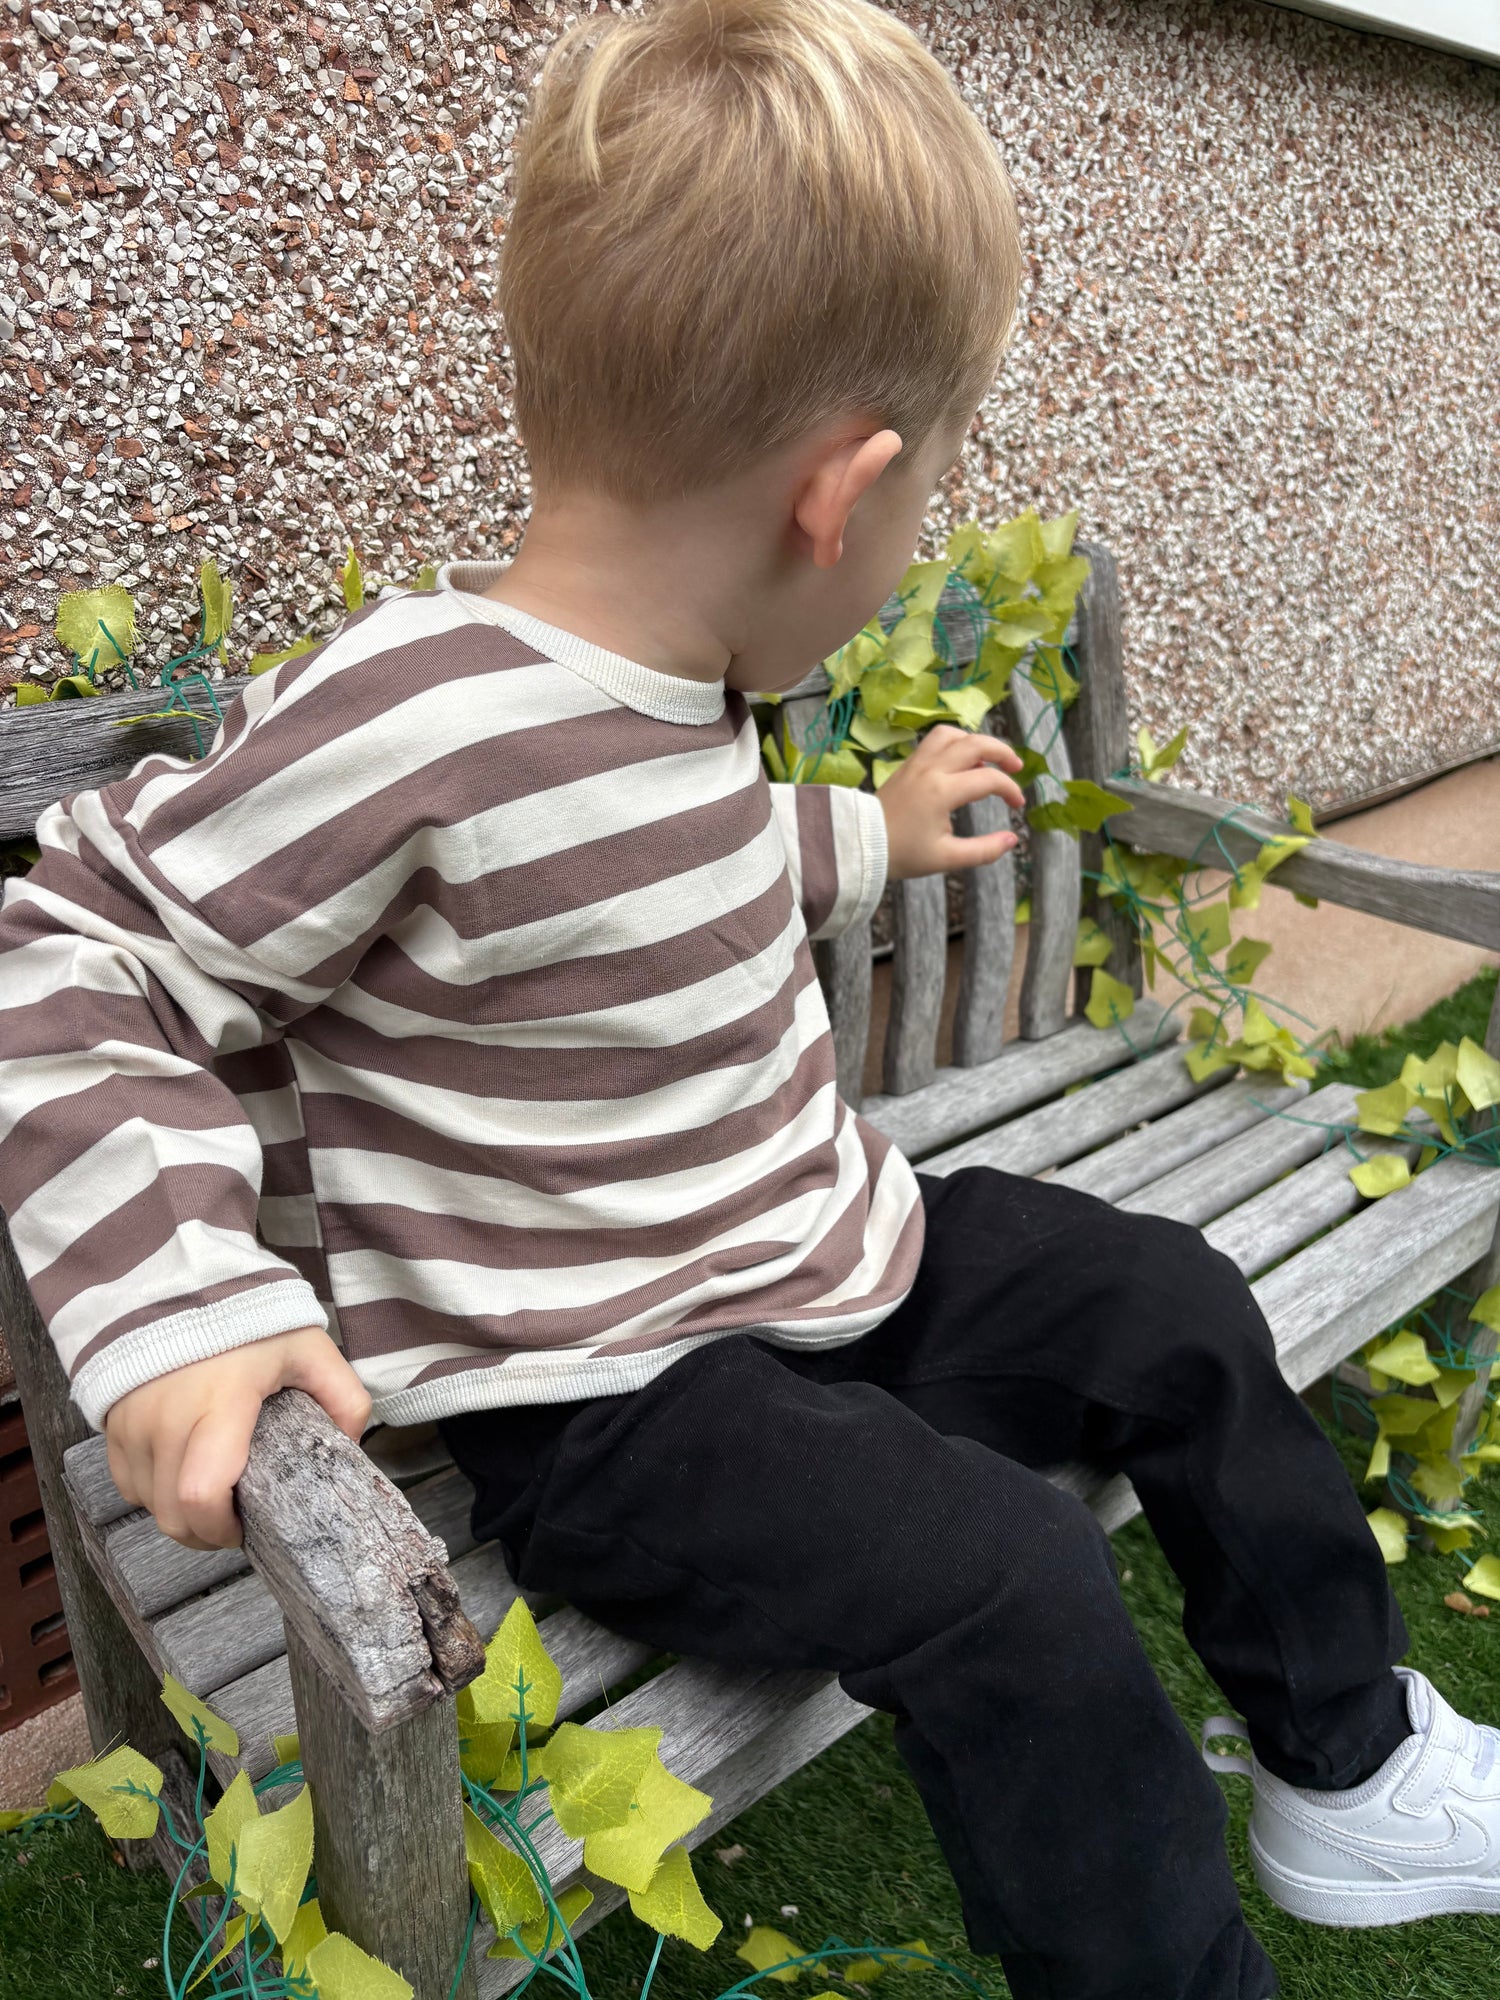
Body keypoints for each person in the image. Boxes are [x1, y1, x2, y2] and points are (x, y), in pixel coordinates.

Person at [1, 2, 1496, 1994]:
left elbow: (670, 875)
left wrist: (870, 833)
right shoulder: (421, 711)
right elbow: (83, 941)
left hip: (823, 1250)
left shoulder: (683, 681)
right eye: (932, 491)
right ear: (842, 493)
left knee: (1178, 1308)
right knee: (1019, 1582)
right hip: (611, 1395)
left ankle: (1356, 1770)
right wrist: (186, 1303)